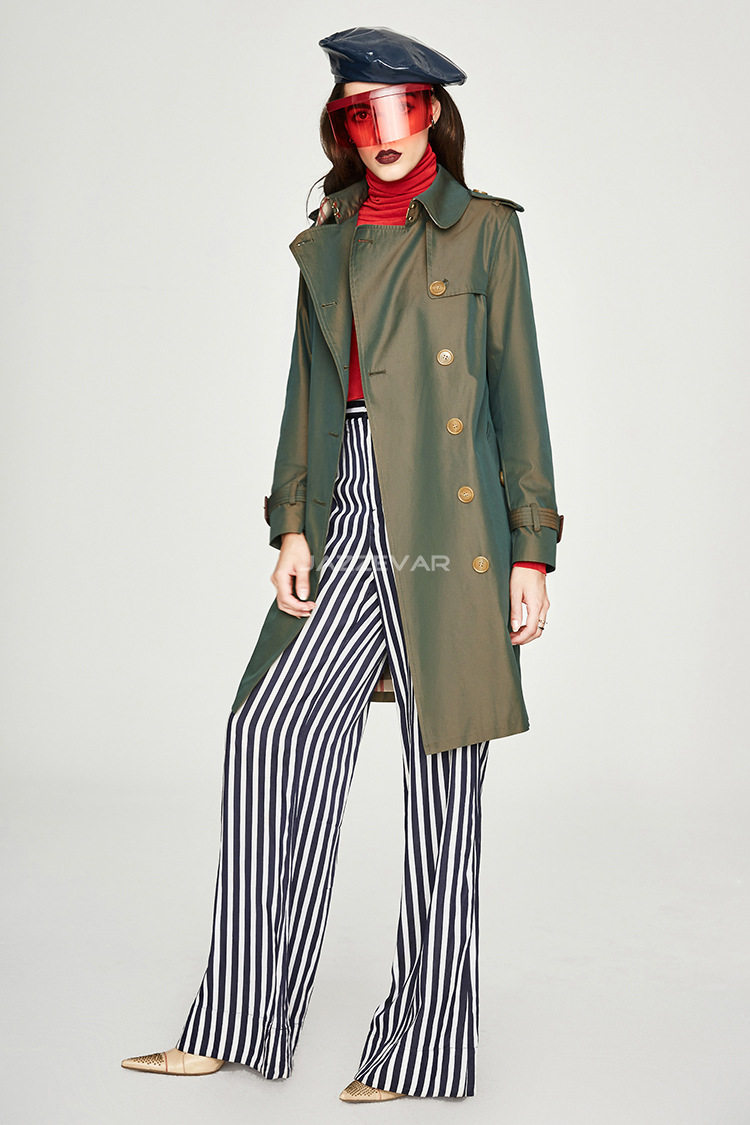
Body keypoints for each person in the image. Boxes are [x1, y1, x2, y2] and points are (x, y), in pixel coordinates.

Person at [121, 25, 563, 1102]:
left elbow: (519, 393)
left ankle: (423, 1047)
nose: (382, 130)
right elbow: (308, 392)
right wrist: (294, 525)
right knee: (267, 732)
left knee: (442, 784)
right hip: (346, 500)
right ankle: (239, 1018)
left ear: (433, 113)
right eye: (358, 112)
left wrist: (531, 549)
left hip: (450, 519)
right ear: (341, 127)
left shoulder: (487, 232)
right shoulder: (327, 234)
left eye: (399, 106)